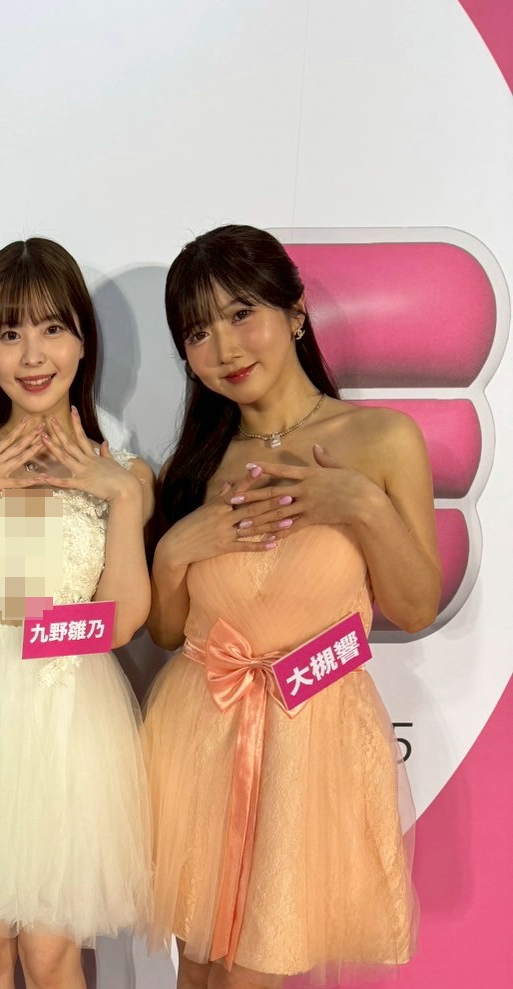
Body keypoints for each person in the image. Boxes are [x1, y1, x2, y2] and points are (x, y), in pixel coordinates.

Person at [145, 224, 439, 988]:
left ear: (296, 312)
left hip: (314, 739)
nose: (224, 347)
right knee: (196, 971)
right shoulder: (192, 466)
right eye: (197, 332)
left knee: (257, 971)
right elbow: (169, 632)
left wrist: (360, 504)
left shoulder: (380, 438)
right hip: (203, 729)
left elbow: (414, 605)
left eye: (241, 313)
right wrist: (174, 551)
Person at [0, 238, 154, 989]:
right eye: (9, 332)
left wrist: (120, 497)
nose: (32, 354)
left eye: (52, 328)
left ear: (83, 341)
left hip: (69, 719)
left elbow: (122, 623)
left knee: (52, 955)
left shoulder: (126, 473)